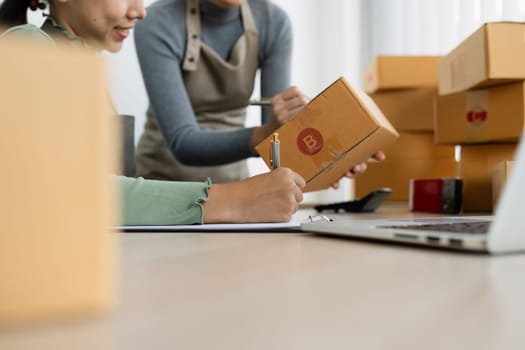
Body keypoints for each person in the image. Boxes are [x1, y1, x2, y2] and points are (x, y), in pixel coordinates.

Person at [0, 0, 306, 225]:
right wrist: (236, 201)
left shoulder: (85, 72)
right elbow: (65, 191)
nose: (140, 11)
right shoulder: (27, 47)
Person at [134, 0, 310, 183]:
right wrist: (265, 136)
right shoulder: (158, 21)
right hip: (162, 187)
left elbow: (278, 135)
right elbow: (183, 143)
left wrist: (329, 162)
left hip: (235, 189)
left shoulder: (273, 21)